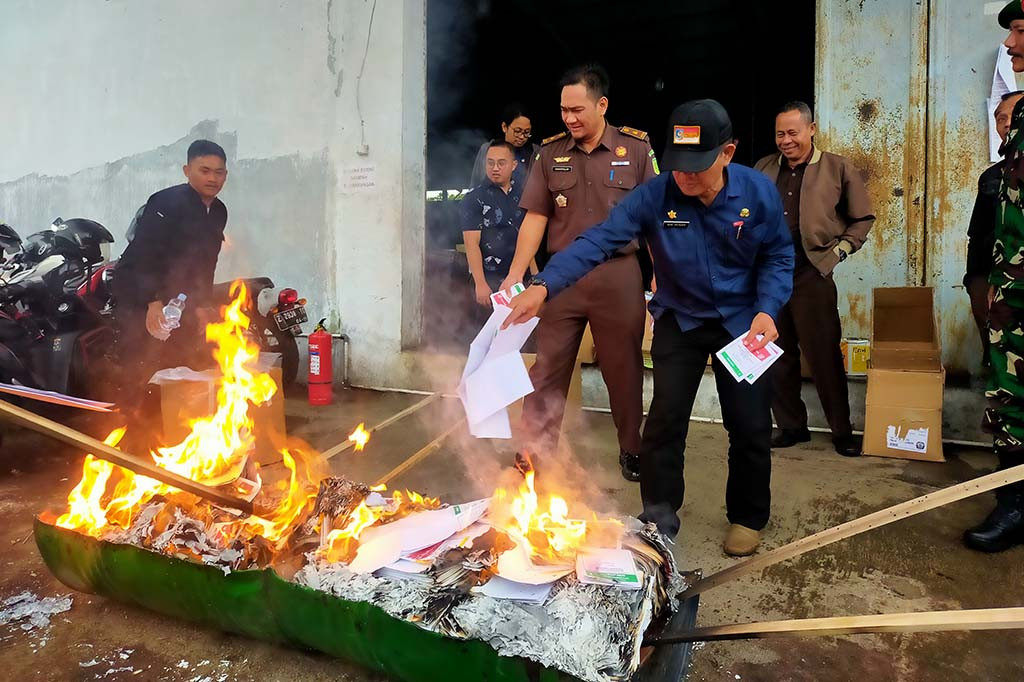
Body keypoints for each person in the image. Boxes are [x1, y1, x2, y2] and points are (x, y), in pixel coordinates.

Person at [504, 99, 794, 556]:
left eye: (697, 166)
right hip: (681, 319)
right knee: (663, 423)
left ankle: (747, 516)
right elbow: (598, 240)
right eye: (678, 165)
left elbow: (778, 255)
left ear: (727, 153)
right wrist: (543, 285)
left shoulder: (757, 193)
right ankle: (659, 518)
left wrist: (768, 309)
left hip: (744, 324)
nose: (684, 176)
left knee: (750, 424)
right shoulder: (655, 195)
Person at [498, 64, 659, 482]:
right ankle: (534, 452)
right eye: (563, 110)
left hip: (618, 276)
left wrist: (661, 273)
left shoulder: (636, 149)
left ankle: (632, 449)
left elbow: (655, 218)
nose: (569, 118)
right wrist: (516, 274)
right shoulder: (550, 153)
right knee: (547, 368)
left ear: (602, 105)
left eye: (577, 110)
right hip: (561, 279)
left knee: (623, 369)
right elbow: (536, 217)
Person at [753, 102, 875, 458]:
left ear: (812, 130)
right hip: (770, 275)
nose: (786, 140)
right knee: (776, 354)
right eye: (780, 134)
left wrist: (840, 252)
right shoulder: (763, 168)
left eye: (793, 132)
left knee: (823, 355)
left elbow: (863, 218)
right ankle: (791, 426)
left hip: (812, 272)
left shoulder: (837, 167)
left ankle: (841, 431)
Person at [112, 139, 229, 438]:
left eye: (219, 172)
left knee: (179, 359)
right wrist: (152, 302)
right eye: (204, 170)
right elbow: (146, 254)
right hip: (139, 291)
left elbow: (207, 262)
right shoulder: (166, 203)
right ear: (187, 170)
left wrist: (203, 303)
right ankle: (131, 435)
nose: (212, 178)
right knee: (141, 358)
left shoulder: (218, 211)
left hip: (180, 296)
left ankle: (168, 433)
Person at [966, 1, 1024, 553]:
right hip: (1011, 294)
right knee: (1012, 397)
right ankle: (1014, 501)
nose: (1008, 44)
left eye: (1020, 31)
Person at [965, 90, 1024, 365]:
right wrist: (976, 283)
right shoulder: (991, 177)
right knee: (1000, 357)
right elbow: (978, 236)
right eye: (1001, 118)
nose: (1007, 124)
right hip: (994, 279)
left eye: (1015, 116)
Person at [461, 141, 528, 305]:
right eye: (490, 163)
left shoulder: (523, 195)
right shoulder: (474, 198)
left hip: (520, 278)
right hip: (489, 278)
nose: (495, 168)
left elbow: (527, 237)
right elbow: (471, 243)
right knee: (488, 321)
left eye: (501, 163)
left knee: (522, 320)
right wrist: (480, 284)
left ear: (514, 165)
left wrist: (534, 274)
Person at [469, 103, 539, 188]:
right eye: (517, 131)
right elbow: (476, 184)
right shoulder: (488, 149)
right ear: (504, 127)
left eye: (526, 132)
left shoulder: (535, 152)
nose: (522, 137)